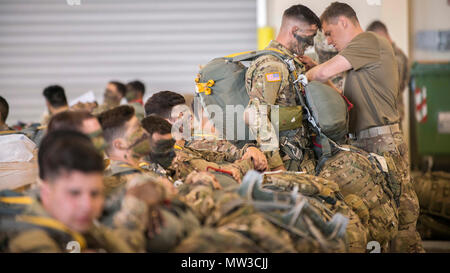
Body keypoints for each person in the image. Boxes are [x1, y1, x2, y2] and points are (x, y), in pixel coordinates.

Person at [305, 2, 422, 252]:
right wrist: (312, 68)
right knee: (380, 220)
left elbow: (323, 73)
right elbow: (343, 99)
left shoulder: (368, 41)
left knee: (402, 222)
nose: (328, 41)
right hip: (367, 142)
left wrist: (306, 74)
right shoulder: (360, 60)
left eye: (328, 32)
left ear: (344, 23)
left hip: (380, 142)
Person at [0, 130, 147, 252]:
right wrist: (136, 209)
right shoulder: (32, 241)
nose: (87, 205)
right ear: (46, 192)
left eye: (95, 193)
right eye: (74, 193)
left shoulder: (69, 218)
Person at [245, 4, 321, 173]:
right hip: (286, 163)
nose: (310, 43)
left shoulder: (289, 64)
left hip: (300, 157)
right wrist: (277, 166)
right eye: (309, 36)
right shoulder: (272, 66)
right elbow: (256, 115)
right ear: (294, 30)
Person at [145, 91, 268, 171]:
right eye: (181, 114)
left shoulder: (196, 143)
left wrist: (250, 149)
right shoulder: (157, 159)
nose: (190, 117)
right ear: (165, 122)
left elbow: (229, 151)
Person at [367, 20, 410, 129]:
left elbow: (391, 86)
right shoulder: (391, 55)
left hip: (392, 118)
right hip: (389, 117)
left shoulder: (396, 57)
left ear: (381, 36)